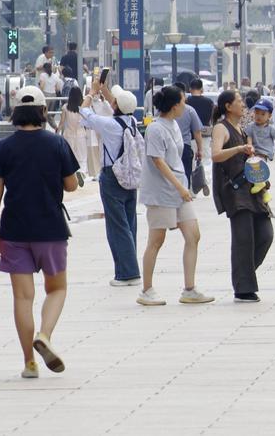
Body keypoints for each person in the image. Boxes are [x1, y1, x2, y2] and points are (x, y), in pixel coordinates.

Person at [0, 86, 78, 379]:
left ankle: (29, 362)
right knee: (57, 289)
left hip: (13, 229)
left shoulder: (4, 147)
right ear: (42, 111)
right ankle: (45, 335)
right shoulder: (57, 144)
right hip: (50, 227)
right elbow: (72, 185)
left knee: (23, 298)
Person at [136, 85, 214, 307]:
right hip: (161, 192)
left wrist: (182, 186)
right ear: (173, 106)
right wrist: (179, 187)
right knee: (156, 240)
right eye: (182, 101)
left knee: (193, 235)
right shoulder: (155, 129)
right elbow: (158, 161)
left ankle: (189, 289)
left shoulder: (174, 125)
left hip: (180, 188)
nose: (185, 105)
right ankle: (146, 289)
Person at [211, 90, 274, 303]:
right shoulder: (222, 127)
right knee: (243, 239)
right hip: (235, 191)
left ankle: (243, 276)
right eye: (239, 101)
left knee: (266, 234)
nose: (243, 104)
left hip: (252, 188)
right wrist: (239, 148)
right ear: (228, 106)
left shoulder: (242, 128)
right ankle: (243, 287)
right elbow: (215, 154)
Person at [81, 79, 142, 287]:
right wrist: (103, 89)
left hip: (112, 177)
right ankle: (128, 268)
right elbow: (118, 104)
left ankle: (127, 273)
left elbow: (84, 113)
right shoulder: (132, 122)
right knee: (129, 223)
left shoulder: (109, 125)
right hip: (130, 177)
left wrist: (90, 93)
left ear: (115, 106)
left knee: (117, 226)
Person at [244, 98, 275, 203]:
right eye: (256, 113)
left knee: (258, 170)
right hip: (253, 152)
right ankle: (265, 193)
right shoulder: (251, 127)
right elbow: (249, 138)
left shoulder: (271, 128)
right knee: (256, 174)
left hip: (264, 153)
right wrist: (250, 148)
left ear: (269, 116)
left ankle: (261, 185)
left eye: (262, 114)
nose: (258, 116)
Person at [173, 83, 204, 189]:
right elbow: (197, 132)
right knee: (185, 174)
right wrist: (200, 149)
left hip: (168, 146)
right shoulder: (190, 110)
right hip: (185, 146)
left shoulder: (164, 110)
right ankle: (185, 194)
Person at [58, 87, 89, 182]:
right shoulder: (83, 107)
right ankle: (82, 172)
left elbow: (62, 122)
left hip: (68, 134)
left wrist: (57, 131)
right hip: (81, 134)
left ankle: (72, 175)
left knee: (70, 155)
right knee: (82, 155)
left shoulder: (66, 107)